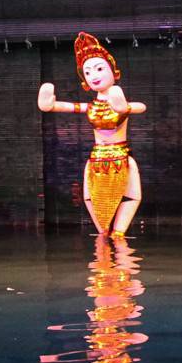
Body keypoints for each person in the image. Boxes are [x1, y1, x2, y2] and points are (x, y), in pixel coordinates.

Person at [37, 32, 146, 236]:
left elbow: (141, 106)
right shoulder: (91, 106)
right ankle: (103, 234)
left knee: (133, 196)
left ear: (113, 71)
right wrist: (50, 105)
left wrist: (124, 108)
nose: (94, 75)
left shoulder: (120, 103)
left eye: (99, 69)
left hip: (121, 157)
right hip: (96, 160)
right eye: (87, 72)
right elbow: (71, 107)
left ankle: (119, 232)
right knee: (90, 198)